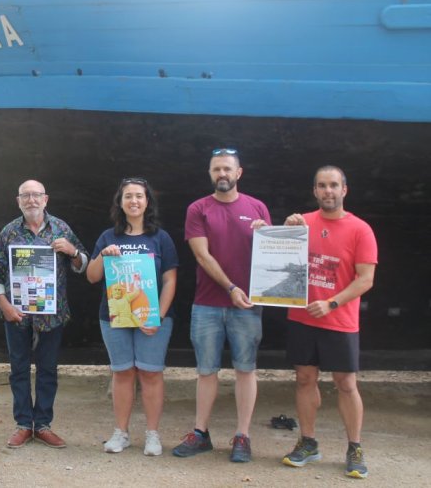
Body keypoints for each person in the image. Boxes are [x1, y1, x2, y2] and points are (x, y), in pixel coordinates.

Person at [173, 148, 270, 463]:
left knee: (246, 369)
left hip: (248, 306)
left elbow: (273, 255)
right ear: (210, 173)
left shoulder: (257, 208)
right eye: (217, 169)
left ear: (239, 173)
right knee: (206, 371)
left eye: (228, 169)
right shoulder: (198, 209)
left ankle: (242, 436)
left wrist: (267, 234)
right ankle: (200, 433)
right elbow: (202, 255)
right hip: (207, 304)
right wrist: (230, 287)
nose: (222, 174)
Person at [281, 166, 377, 479]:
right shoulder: (303, 223)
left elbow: (366, 279)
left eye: (334, 185)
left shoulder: (361, 229)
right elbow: (279, 255)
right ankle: (308, 442)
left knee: (346, 384)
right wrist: (285, 229)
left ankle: (355, 447)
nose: (328, 191)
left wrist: (332, 302)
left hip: (339, 320)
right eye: (322, 186)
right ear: (315, 191)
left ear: (344, 190)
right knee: (305, 379)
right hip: (301, 317)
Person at [0, 180, 87, 449]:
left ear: (46, 199)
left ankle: (42, 425)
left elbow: (83, 265)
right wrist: (4, 305)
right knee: (18, 370)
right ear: (18, 200)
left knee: (48, 371)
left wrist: (73, 251)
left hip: (51, 316)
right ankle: (23, 424)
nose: (31, 200)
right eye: (25, 196)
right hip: (17, 314)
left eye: (36, 195)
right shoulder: (9, 232)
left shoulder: (61, 229)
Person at [87, 178, 178, 455]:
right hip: (115, 317)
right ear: (121, 202)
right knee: (122, 372)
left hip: (152, 317)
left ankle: (152, 435)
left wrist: (157, 317)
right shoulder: (108, 237)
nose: (134, 201)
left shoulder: (160, 238)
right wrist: (104, 255)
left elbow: (171, 281)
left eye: (139, 196)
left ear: (147, 201)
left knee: (150, 374)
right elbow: (92, 276)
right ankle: (121, 433)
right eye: (128, 196)